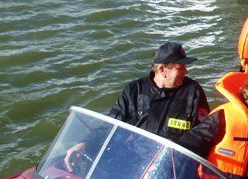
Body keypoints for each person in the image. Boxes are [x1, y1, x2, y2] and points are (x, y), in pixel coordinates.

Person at [64, 41, 209, 171]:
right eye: (180, 67)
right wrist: (85, 143)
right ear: (162, 69)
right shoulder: (135, 90)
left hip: (171, 164)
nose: (186, 71)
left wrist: (169, 161)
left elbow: (203, 132)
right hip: (134, 159)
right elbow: (112, 123)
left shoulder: (193, 92)